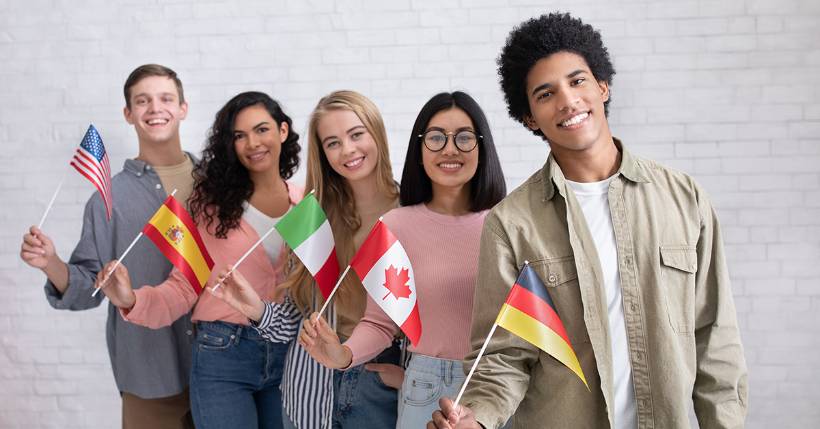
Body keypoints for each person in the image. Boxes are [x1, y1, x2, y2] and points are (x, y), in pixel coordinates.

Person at [428, 12, 748, 429]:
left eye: (577, 81)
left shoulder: (683, 198)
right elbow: (504, 355)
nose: (567, 101)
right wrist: (477, 418)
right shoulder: (512, 224)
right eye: (545, 94)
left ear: (602, 85)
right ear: (529, 117)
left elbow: (715, 338)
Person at [298, 91, 506, 428]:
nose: (450, 149)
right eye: (436, 138)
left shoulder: (507, 224)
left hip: (495, 388)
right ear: (419, 149)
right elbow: (382, 322)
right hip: (425, 388)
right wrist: (343, 355)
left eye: (465, 138)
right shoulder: (396, 225)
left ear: (482, 147)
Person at [96, 91, 302, 429]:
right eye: (239, 135)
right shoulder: (210, 208)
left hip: (290, 358)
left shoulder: (306, 203)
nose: (252, 142)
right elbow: (183, 288)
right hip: (223, 353)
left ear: (282, 131)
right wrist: (131, 299)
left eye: (262, 129)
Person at [211, 90, 402, 429]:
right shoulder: (313, 219)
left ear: (376, 132)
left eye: (356, 134)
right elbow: (291, 323)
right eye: (332, 143)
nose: (347, 150)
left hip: (379, 390)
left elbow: (433, 317)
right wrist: (255, 308)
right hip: (310, 394)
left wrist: (408, 376)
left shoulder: (410, 213)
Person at [18, 64, 196, 429]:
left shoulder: (218, 184)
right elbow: (89, 290)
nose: (155, 108)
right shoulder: (107, 201)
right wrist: (51, 262)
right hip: (150, 373)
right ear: (128, 114)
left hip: (227, 372)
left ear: (183, 108)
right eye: (142, 101)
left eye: (165, 98)